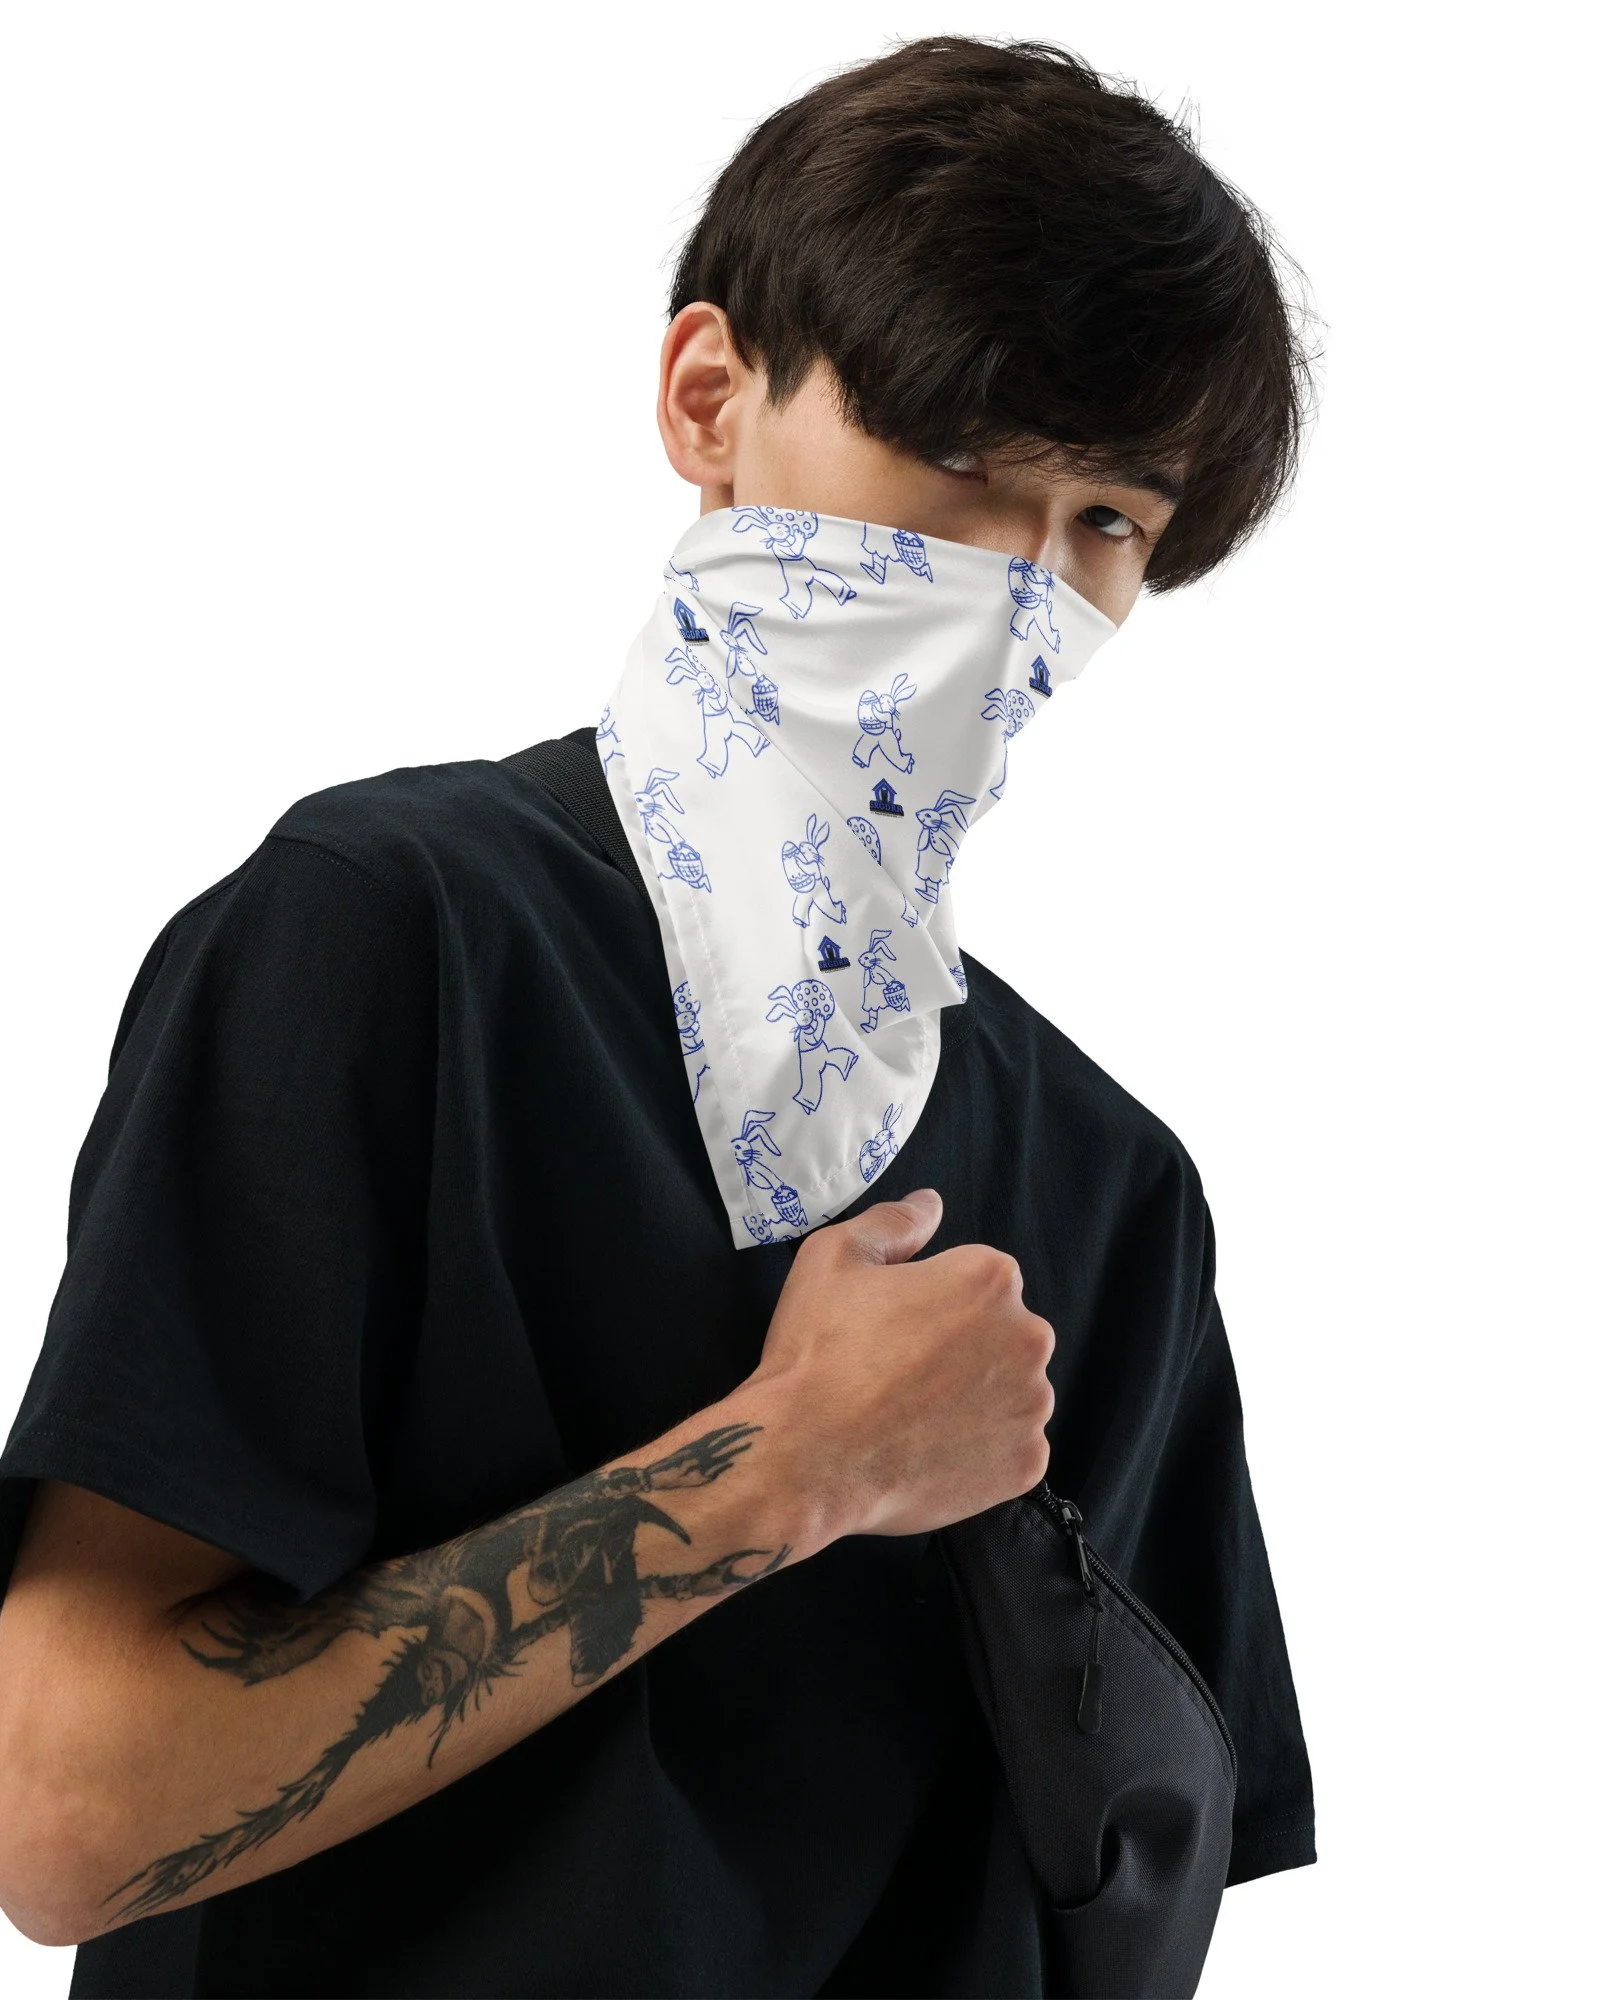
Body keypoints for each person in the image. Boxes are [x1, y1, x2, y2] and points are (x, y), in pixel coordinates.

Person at [0, 35, 1317, 1998]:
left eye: (1108, 522)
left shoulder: (1115, 1191)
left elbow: (1119, 1913)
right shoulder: (392, 943)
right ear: (711, 398)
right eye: (958, 460)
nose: (1019, 590)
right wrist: (783, 1470)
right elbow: (65, 1808)